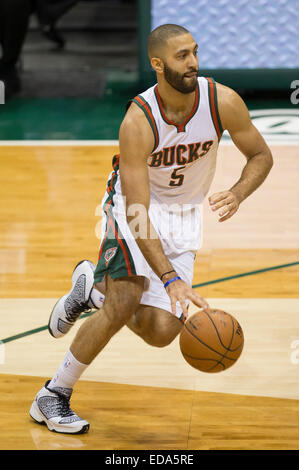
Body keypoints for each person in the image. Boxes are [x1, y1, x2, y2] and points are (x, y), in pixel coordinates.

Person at [29, 23, 273, 434]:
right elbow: (138, 211)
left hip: (183, 216)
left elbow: (262, 156)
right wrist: (169, 278)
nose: (193, 62)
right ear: (157, 64)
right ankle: (53, 395)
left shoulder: (222, 101)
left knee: (162, 332)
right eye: (182, 56)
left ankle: (92, 287)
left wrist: (238, 192)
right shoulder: (138, 122)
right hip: (132, 210)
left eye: (194, 52)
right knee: (124, 302)